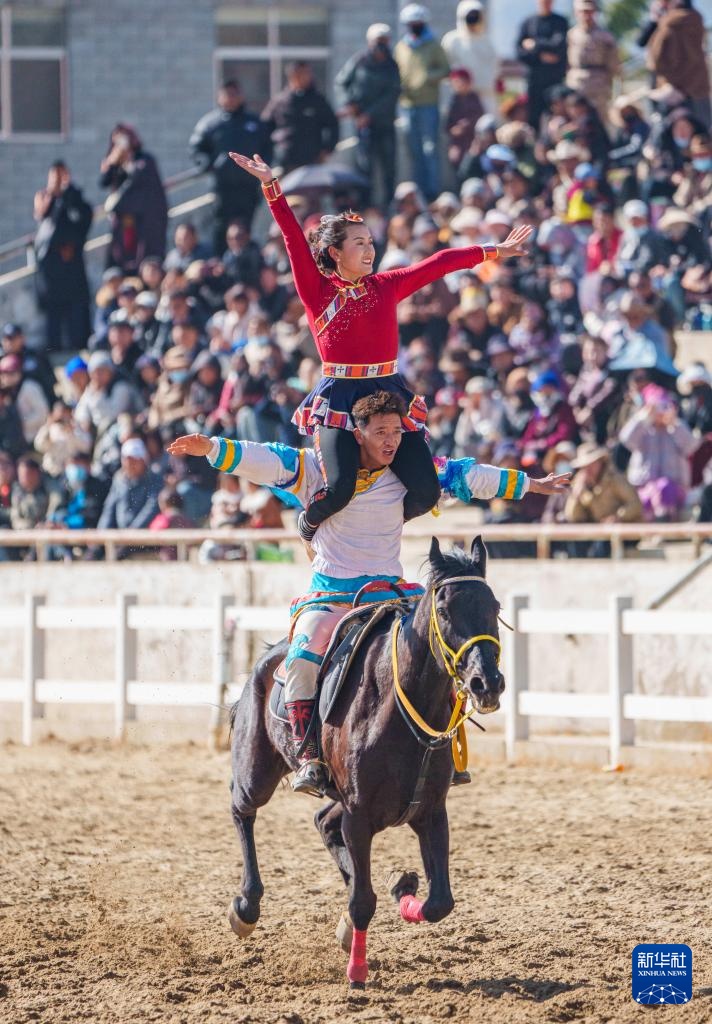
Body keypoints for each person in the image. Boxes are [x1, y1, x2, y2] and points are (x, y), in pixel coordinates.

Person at [167, 390, 570, 794]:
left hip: (391, 594)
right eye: (380, 431)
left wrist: (531, 485)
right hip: (330, 597)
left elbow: (469, 477)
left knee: (443, 646)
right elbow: (265, 458)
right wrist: (212, 448)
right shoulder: (313, 470)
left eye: (396, 431)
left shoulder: (410, 475)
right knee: (302, 662)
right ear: (357, 434)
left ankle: (447, 749)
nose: (391, 440)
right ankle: (309, 757)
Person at [228, 150, 533, 543]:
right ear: (335, 253)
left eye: (371, 241)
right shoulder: (317, 292)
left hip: (388, 392)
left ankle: (373, 529)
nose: (370, 249)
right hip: (341, 395)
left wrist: (492, 251)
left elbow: (439, 262)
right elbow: (291, 237)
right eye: (359, 243)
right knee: (338, 491)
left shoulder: (386, 285)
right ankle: (308, 527)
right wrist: (271, 186)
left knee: (425, 492)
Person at [190, 80, 272, 252]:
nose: (231, 98)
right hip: (223, 188)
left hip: (248, 186)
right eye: (227, 94)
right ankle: (222, 266)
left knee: (245, 228)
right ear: (219, 97)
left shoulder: (254, 123)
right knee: (221, 228)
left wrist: (262, 168)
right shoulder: (211, 124)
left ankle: (246, 265)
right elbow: (197, 149)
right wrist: (210, 165)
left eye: (234, 94)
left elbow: (268, 147)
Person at [335, 24, 401, 208]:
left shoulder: (391, 66)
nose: (380, 46)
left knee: (389, 166)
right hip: (363, 125)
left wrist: (370, 114)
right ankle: (365, 204)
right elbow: (341, 83)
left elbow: (392, 94)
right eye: (377, 41)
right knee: (364, 167)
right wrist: (349, 104)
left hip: (384, 123)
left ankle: (388, 204)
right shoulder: (359, 61)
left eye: (384, 41)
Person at [33, 160, 93, 352]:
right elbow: (42, 217)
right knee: (54, 315)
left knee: (76, 313)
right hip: (51, 269)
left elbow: (83, 218)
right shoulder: (46, 198)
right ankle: (55, 349)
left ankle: (79, 346)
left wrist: (68, 191)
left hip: (72, 266)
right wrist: (52, 195)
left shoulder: (74, 198)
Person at [395, 4, 450, 202]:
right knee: (414, 149)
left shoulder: (434, 46)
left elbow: (445, 70)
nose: (414, 27)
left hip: (428, 103)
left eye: (417, 23)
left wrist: (428, 77)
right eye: (411, 24)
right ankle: (417, 191)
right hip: (408, 104)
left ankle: (432, 190)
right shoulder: (401, 47)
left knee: (430, 148)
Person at [619, 385, 698, 520]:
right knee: (652, 492)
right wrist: (643, 417)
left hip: (673, 489)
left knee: (663, 487)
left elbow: (691, 446)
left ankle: (664, 526)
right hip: (644, 486)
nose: (660, 411)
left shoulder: (675, 428)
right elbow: (626, 440)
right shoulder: (643, 429)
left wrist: (674, 423)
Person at [99, 123, 168, 273]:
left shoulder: (144, 159)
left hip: (143, 221)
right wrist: (112, 163)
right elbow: (104, 182)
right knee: (120, 257)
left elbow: (141, 179)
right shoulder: (114, 162)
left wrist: (128, 163)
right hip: (123, 222)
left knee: (143, 257)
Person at [260, 62, 339, 175]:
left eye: (307, 73)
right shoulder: (280, 101)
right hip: (284, 161)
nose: (306, 77)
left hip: (311, 160)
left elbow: (332, 125)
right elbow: (265, 127)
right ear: (292, 76)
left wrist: (327, 149)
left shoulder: (317, 101)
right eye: (301, 73)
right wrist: (269, 153)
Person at [565, 442, 643, 554]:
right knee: (575, 542)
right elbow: (573, 516)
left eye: (592, 463)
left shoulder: (616, 479)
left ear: (601, 462)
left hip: (625, 529)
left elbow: (635, 504)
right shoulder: (580, 484)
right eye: (585, 465)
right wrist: (576, 495)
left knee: (602, 546)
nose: (588, 468)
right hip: (599, 530)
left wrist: (617, 517)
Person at [647, 0, 711, 129]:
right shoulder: (697, 21)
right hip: (699, 86)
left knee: (677, 134)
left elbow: (655, 59)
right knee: (704, 134)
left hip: (675, 91)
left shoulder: (668, 25)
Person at [96, 438, 163, 555]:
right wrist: (101, 534)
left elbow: (151, 508)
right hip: (121, 535)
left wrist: (132, 533)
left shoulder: (154, 480)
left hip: (144, 537)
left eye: (134, 460)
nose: (130, 464)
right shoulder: (119, 480)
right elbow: (109, 509)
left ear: (143, 460)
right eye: (127, 460)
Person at [516, 0, 569, 131]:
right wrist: (541, 56)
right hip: (534, 80)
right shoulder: (528, 23)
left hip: (554, 79)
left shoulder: (560, 22)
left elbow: (558, 45)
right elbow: (520, 52)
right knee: (533, 118)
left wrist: (535, 45)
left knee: (556, 116)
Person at [566, 0, 619, 126]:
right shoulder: (572, 34)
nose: (586, 15)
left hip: (598, 82)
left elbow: (613, 64)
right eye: (582, 12)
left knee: (599, 121)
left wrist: (611, 82)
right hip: (576, 82)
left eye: (589, 11)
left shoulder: (605, 36)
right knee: (577, 121)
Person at [442, 1, 499, 116]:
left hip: (485, 96)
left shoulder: (486, 41)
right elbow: (446, 68)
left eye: (475, 16)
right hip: (461, 98)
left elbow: (494, 67)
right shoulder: (452, 40)